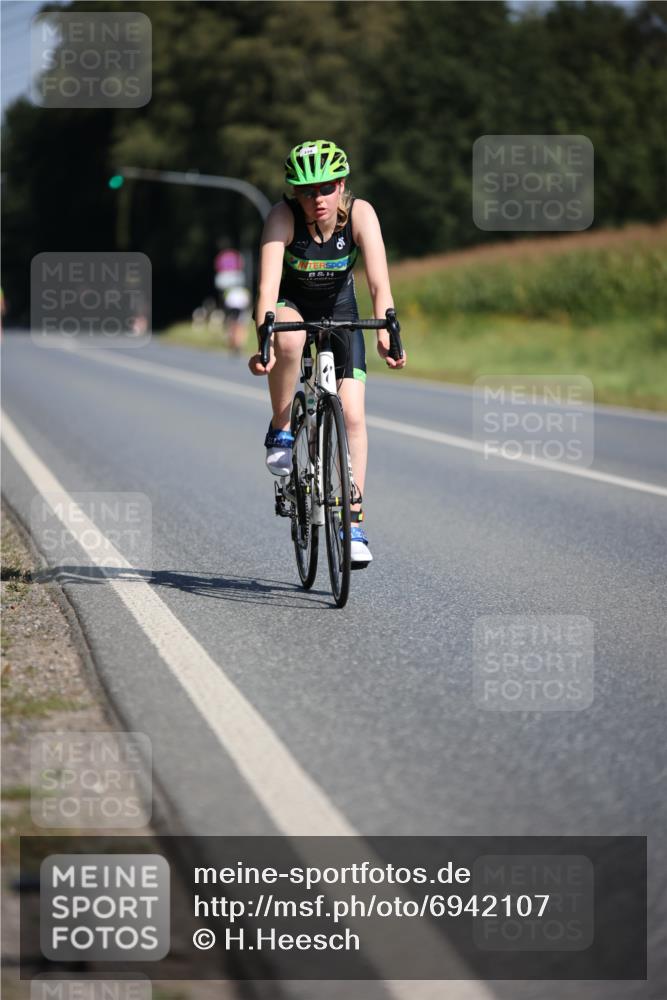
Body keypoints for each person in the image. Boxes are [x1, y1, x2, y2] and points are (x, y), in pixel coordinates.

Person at [248, 139, 406, 565]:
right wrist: (264, 339)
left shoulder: (360, 214)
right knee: (290, 338)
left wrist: (387, 329)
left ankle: (352, 522)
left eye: (324, 188)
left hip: (341, 310)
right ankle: (282, 425)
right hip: (292, 306)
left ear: (341, 185)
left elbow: (379, 284)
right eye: (305, 191)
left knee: (352, 414)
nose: (315, 199)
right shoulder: (282, 217)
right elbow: (266, 289)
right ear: (294, 193)